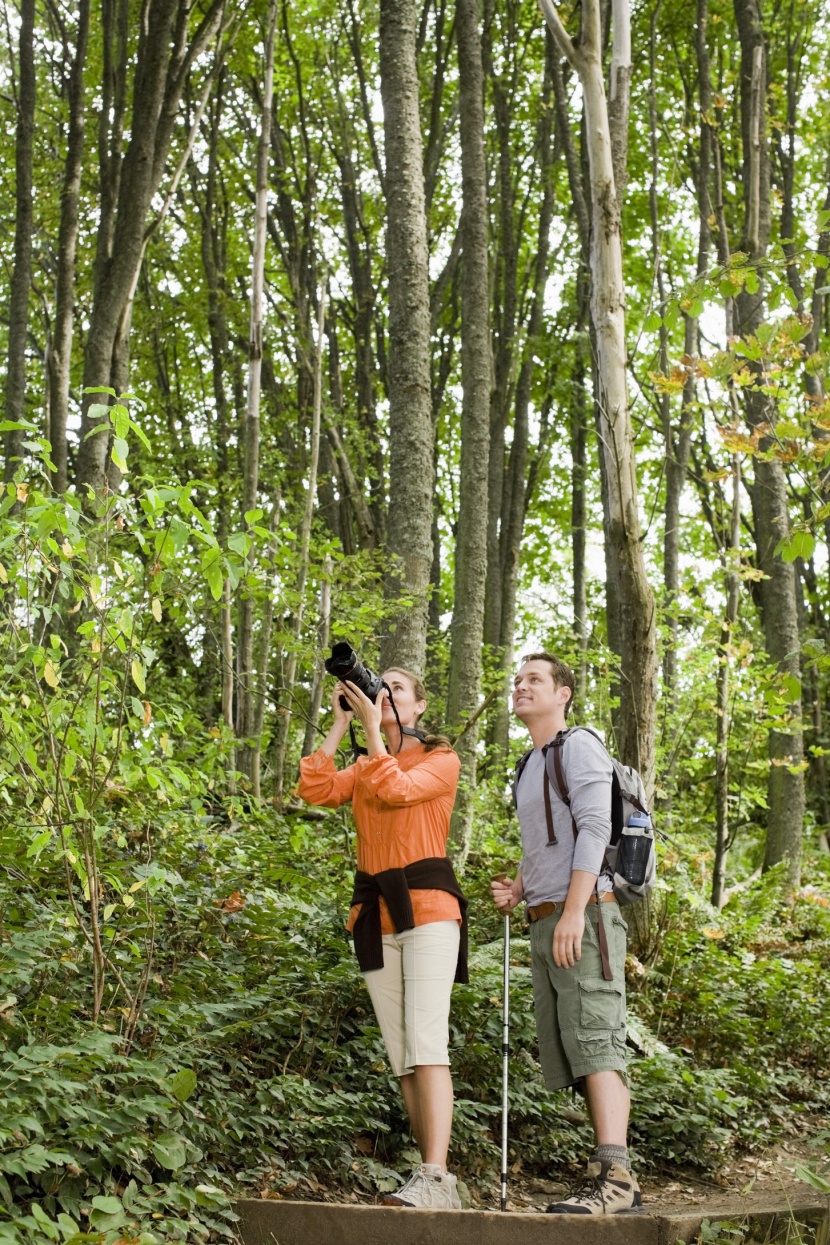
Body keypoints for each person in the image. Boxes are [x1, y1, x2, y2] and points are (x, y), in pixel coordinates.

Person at [298, 667, 466, 1211]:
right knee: (402, 1055)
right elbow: (315, 788)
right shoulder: (365, 761)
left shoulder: (441, 760)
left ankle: (437, 1176)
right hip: (376, 916)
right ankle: (430, 1178)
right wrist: (339, 723)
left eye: (397, 690)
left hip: (429, 909)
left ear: (418, 708)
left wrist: (373, 732)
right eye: (380, 687)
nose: (385, 696)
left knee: (425, 1041)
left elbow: (396, 789)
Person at [491, 652, 642, 1215]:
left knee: (598, 1038)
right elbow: (545, 843)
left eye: (535, 680)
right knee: (577, 1044)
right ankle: (609, 1175)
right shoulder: (529, 764)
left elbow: (595, 825)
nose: (521, 686)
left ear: (564, 693)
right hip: (548, 915)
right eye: (518, 679)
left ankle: (616, 1180)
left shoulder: (579, 745)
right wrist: (522, 888)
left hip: (587, 914)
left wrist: (576, 911)